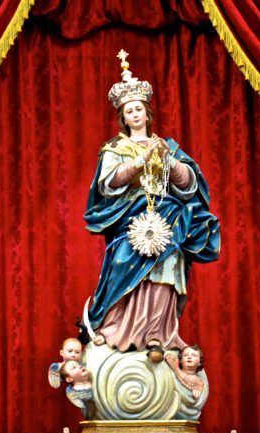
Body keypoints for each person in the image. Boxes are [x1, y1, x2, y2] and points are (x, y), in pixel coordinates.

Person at [84, 50, 220, 358]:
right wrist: (139, 161)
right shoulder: (115, 148)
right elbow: (108, 183)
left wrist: (169, 162)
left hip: (168, 217)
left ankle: (158, 334)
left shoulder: (167, 146)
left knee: (166, 269)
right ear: (123, 117)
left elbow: (190, 184)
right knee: (123, 265)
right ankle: (117, 329)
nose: (134, 114)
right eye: (129, 111)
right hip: (130, 219)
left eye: (138, 109)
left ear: (147, 113)